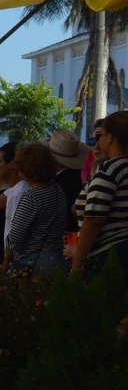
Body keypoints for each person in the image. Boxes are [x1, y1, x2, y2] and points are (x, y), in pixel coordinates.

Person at [72, 109, 128, 277]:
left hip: (109, 253)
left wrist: (76, 264)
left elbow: (94, 220)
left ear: (110, 138)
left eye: (100, 136)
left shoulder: (110, 169)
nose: (96, 142)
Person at [3, 141, 68, 274]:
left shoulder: (31, 196)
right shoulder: (58, 190)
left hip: (33, 264)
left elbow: (14, 237)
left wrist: (5, 264)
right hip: (57, 261)